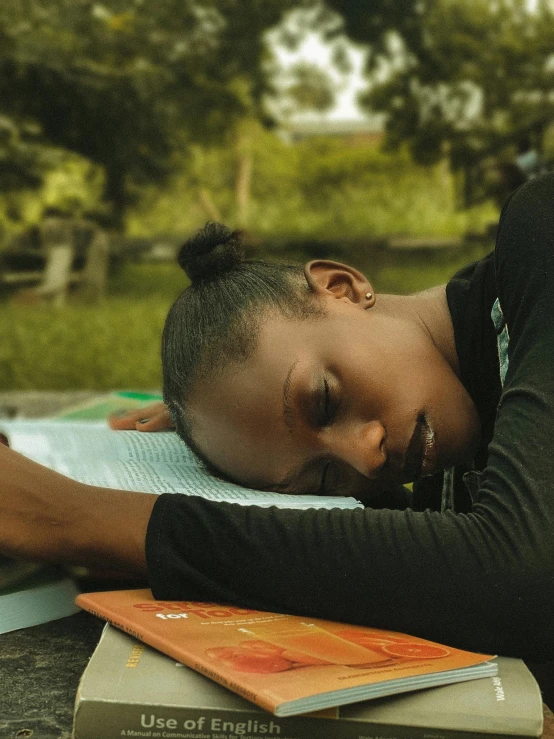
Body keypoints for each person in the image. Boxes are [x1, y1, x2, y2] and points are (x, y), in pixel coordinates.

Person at [3, 174, 554, 662]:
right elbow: (437, 562)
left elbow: (522, 580)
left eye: (324, 398)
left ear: (342, 287)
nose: (366, 456)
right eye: (323, 480)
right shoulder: (463, 429)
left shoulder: (541, 230)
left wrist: (74, 519)